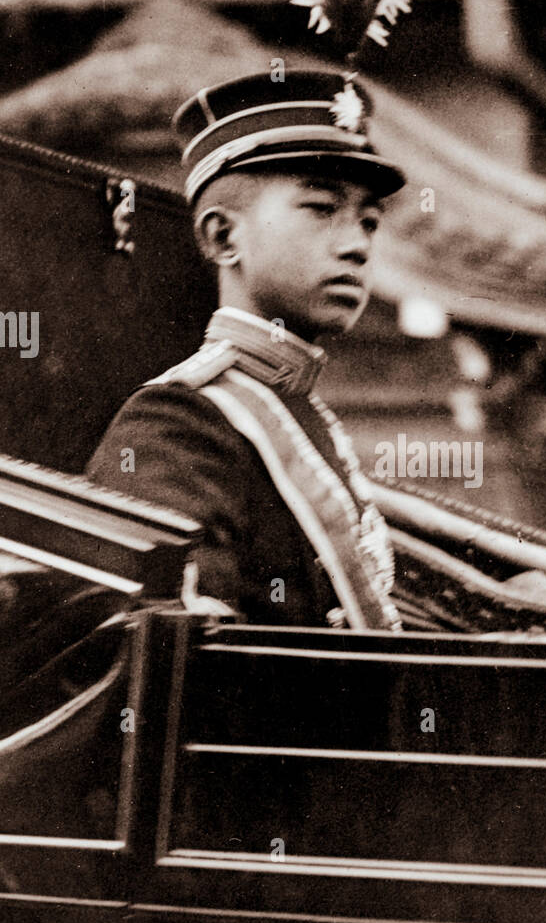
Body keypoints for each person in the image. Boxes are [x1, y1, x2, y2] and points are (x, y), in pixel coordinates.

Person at [87, 71, 404, 630]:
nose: (356, 245)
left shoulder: (304, 414)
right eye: (321, 209)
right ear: (223, 238)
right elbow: (183, 665)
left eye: (369, 221)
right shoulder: (180, 422)